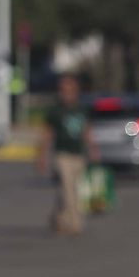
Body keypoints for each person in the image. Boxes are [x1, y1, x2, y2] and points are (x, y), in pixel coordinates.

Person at [35, 75, 97, 235]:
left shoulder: (81, 110)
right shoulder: (56, 111)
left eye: (70, 90)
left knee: (71, 189)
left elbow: (86, 131)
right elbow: (47, 134)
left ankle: (58, 216)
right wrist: (42, 156)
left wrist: (93, 151)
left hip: (78, 154)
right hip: (62, 155)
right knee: (69, 189)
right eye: (63, 90)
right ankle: (75, 223)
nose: (66, 93)